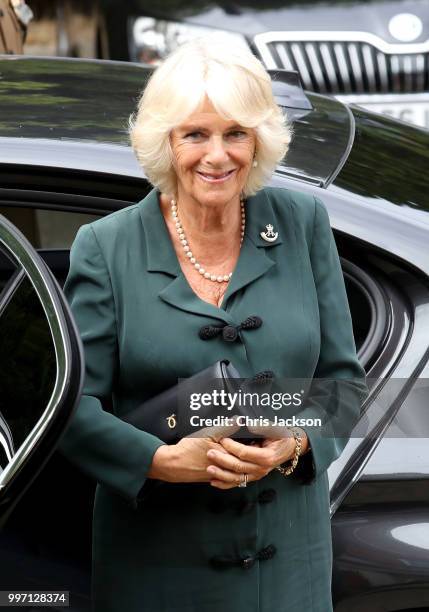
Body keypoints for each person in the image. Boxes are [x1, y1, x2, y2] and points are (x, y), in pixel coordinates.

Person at [58, 37, 368, 612]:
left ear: (259, 141)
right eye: (195, 134)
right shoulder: (105, 245)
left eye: (236, 134)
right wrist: (161, 462)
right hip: (157, 565)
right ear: (165, 141)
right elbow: (72, 408)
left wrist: (293, 442)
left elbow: (346, 387)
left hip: (287, 567)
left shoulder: (303, 223)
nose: (217, 156)